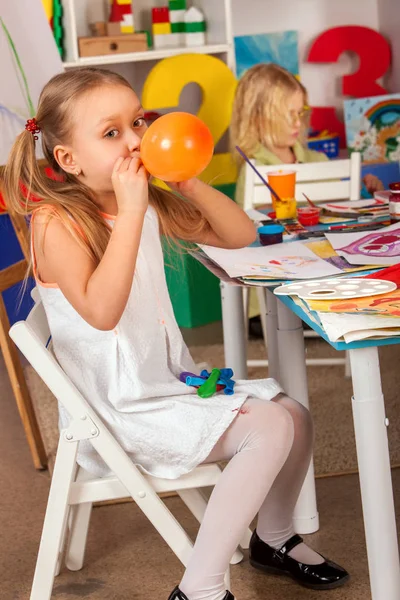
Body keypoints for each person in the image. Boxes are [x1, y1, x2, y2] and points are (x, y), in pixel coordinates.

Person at [4, 67, 349, 600]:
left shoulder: (138, 202)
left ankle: (273, 538)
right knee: (271, 428)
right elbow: (102, 313)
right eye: (111, 132)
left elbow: (241, 237)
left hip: (162, 383)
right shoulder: (56, 221)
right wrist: (137, 208)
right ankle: (199, 588)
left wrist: (187, 184)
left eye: (137, 121)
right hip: (118, 408)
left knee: (295, 415)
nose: (137, 140)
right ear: (68, 159)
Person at [230, 63, 384, 336]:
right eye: (287, 115)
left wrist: (368, 194)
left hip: (323, 277)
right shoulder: (253, 170)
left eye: (299, 113)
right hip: (277, 287)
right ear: (259, 117)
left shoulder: (317, 160)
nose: (297, 123)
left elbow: (345, 213)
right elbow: (246, 233)